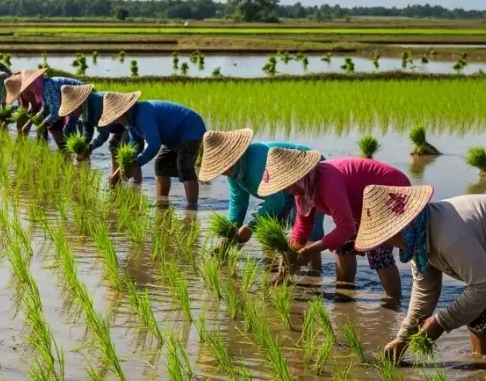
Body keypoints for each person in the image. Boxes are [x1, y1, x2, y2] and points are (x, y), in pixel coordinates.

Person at [355, 187, 486, 381]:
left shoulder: (449, 236)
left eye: (384, 237)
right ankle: (485, 374)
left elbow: (485, 284)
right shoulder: (417, 240)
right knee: (477, 313)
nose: (383, 245)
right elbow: (425, 292)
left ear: (399, 227)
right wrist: (403, 339)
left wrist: (441, 322)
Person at [258, 148, 411, 302]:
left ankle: (394, 303)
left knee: (378, 252)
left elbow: (346, 228)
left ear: (298, 175)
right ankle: (345, 294)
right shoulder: (304, 189)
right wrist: (288, 259)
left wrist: (309, 251)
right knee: (343, 248)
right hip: (361, 205)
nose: (286, 190)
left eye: (286, 184)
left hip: (389, 191)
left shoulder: (327, 182)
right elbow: (302, 227)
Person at [198, 128, 326, 271]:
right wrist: (230, 235)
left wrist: (250, 227)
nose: (222, 172)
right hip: (283, 190)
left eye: (222, 166)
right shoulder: (234, 174)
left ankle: (315, 275)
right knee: (271, 231)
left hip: (309, 173)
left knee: (307, 231)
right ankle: (275, 269)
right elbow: (238, 203)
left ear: (233, 157)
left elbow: (275, 201)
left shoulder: (257, 164)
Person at [98, 90, 206, 210]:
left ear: (124, 111)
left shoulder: (142, 116)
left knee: (184, 165)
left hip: (190, 129)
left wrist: (137, 162)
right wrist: (120, 170)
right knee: (161, 164)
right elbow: (136, 145)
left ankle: (192, 207)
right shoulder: (130, 123)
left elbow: (154, 144)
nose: (117, 121)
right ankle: (162, 202)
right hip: (173, 137)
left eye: (117, 118)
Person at [58, 84, 141, 182]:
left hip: (131, 119)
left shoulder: (97, 105)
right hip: (117, 124)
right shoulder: (83, 109)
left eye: (73, 108)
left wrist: (90, 147)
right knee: (114, 145)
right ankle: (117, 179)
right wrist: (83, 144)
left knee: (129, 152)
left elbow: (104, 134)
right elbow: (87, 130)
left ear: (78, 103)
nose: (73, 112)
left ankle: (136, 184)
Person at [5, 69, 83, 148]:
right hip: (71, 102)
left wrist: (43, 123)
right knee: (67, 130)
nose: (28, 88)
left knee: (68, 130)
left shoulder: (48, 87)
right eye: (27, 86)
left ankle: (73, 153)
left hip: (80, 97)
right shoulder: (43, 87)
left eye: (30, 85)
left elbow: (55, 112)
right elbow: (45, 107)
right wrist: (36, 118)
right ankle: (70, 153)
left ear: (35, 81)